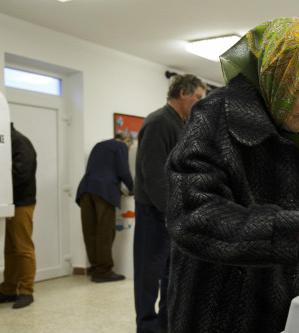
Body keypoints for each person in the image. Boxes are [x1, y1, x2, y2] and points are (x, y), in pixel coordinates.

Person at [165, 17, 299, 332]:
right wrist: (294, 226)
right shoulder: (216, 117)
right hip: (220, 311)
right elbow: (192, 215)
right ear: (279, 75)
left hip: (295, 305)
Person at [133, 74, 205, 333]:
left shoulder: (180, 124)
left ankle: (165, 325)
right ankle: (147, 326)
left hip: (172, 211)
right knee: (148, 274)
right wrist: (168, 210)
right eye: (197, 97)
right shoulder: (158, 122)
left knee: (170, 273)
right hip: (154, 210)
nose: (198, 103)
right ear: (183, 93)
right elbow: (153, 173)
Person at [0, 123, 37, 309]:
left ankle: (26, 291)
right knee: (9, 249)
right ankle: (8, 290)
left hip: (22, 203)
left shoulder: (21, 143)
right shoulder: (6, 142)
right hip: (8, 203)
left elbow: (20, 174)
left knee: (23, 248)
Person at [76, 131, 134, 283]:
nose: (128, 149)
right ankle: (104, 272)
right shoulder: (120, 146)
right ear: (126, 141)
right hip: (104, 191)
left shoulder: (99, 145)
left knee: (90, 231)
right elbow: (123, 171)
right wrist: (133, 188)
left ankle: (95, 268)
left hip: (85, 190)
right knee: (105, 231)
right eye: (129, 146)